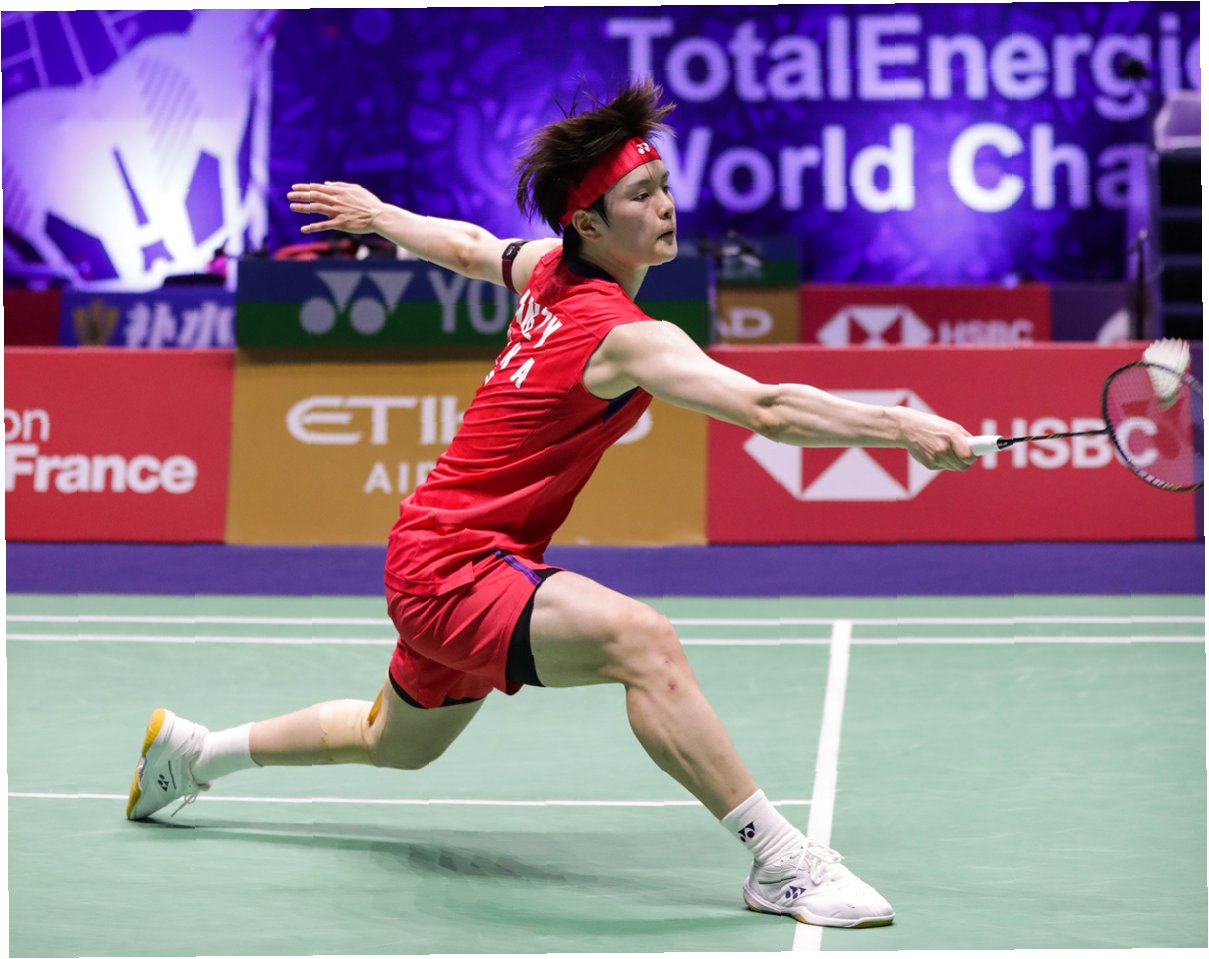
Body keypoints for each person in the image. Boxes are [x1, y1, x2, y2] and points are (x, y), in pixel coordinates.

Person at [126, 79, 975, 929]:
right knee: (641, 641)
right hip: (453, 564)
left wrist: (382, 216)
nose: (665, 206)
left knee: (394, 742)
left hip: (446, 552)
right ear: (588, 225)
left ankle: (193, 754)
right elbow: (768, 409)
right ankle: (781, 863)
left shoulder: (547, 272)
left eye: (663, 186)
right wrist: (901, 425)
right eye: (640, 195)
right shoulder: (626, 335)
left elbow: (469, 247)